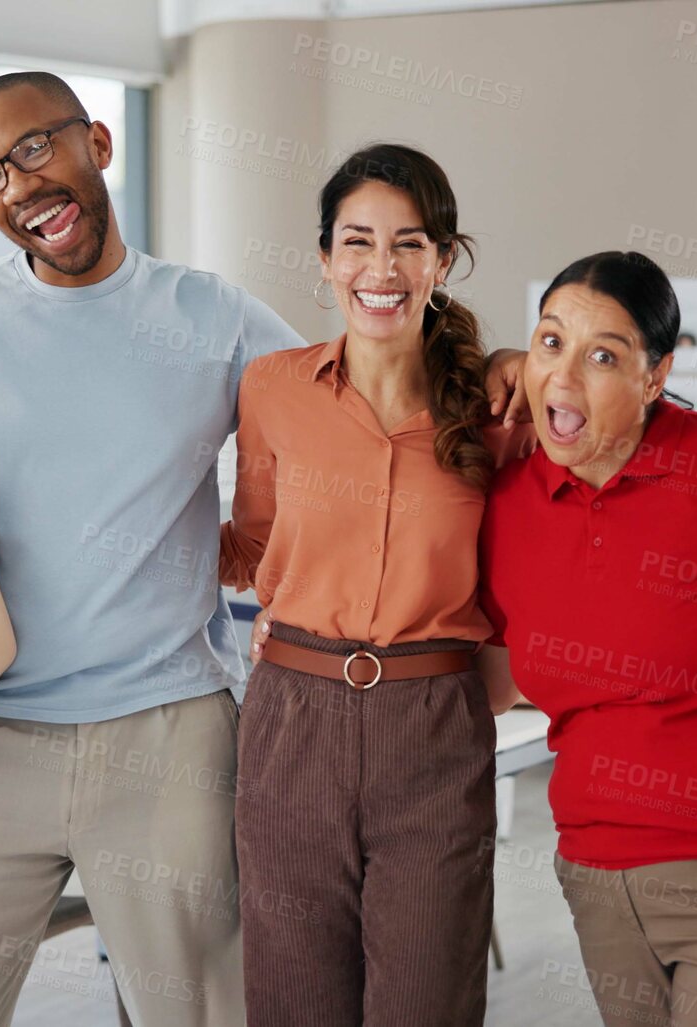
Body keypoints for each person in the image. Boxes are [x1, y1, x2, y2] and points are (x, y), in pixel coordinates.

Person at [0, 76, 527, 1026]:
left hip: (168, 737)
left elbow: (362, 387)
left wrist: (499, 367)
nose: (19, 186)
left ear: (97, 143)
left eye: (34, 150)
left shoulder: (214, 318)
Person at [477, 250, 697, 1027]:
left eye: (602, 355)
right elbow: (491, 682)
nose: (565, 376)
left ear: (654, 374)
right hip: (597, 880)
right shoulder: (507, 501)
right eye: (549, 343)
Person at [221, 142, 522, 1027]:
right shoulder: (273, 387)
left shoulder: (495, 408)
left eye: (407, 244)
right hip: (289, 720)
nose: (379, 269)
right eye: (356, 243)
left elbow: (523, 570)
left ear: (442, 259)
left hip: (433, 728)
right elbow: (252, 544)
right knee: (292, 1000)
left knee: (427, 998)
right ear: (324, 261)